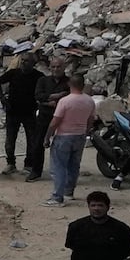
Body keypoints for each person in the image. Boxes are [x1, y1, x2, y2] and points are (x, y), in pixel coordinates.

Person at [46, 73, 100, 201]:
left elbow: (55, 121)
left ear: (69, 84)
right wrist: (85, 132)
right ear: (83, 85)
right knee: (73, 166)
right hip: (80, 136)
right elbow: (91, 120)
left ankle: (57, 197)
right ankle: (69, 192)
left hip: (63, 136)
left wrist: (47, 136)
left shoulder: (65, 101)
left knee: (59, 167)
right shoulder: (89, 101)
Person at [0, 51, 48, 177]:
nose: (24, 63)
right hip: (12, 112)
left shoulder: (38, 76)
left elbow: (44, 91)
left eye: (27, 61)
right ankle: (10, 163)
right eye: (23, 60)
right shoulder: (13, 73)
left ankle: (29, 164)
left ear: (33, 63)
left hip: (29, 112)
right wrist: (2, 98)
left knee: (31, 140)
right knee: (10, 140)